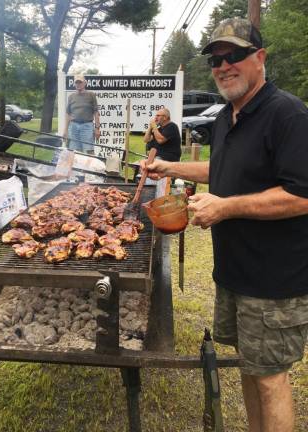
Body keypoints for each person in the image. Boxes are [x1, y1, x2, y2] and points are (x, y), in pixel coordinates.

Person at [141, 18, 308, 432]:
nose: (223, 65)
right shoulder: (226, 116)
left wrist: (226, 207)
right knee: (250, 370)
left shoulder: (288, 114)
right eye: (216, 59)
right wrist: (169, 165)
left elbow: (302, 194)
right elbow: (222, 170)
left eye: (234, 55)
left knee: (270, 379)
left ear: (259, 58)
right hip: (232, 272)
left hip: (274, 278)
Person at [63, 74, 100, 154]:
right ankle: (75, 167)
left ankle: (89, 167)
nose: (78, 84)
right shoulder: (71, 96)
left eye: (80, 82)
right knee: (73, 152)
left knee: (89, 151)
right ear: (74, 84)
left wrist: (97, 128)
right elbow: (68, 113)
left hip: (87, 127)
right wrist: (65, 130)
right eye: (76, 83)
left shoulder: (91, 95)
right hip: (73, 127)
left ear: (85, 83)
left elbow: (96, 112)